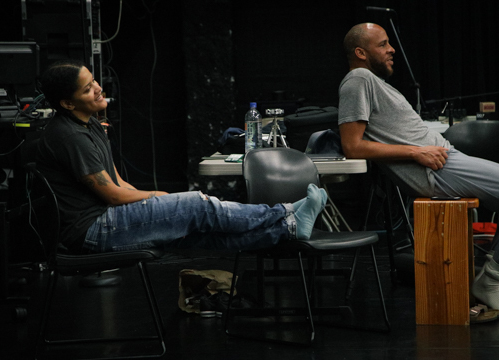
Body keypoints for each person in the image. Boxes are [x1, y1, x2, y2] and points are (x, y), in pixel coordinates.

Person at [338, 23, 499, 318]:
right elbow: (352, 146)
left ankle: (492, 280)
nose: (391, 50)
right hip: (438, 169)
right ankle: (491, 280)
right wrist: (417, 151)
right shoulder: (357, 80)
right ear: (361, 52)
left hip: (446, 158)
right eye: (383, 44)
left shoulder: (372, 81)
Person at [34, 59, 326, 256]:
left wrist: (151, 200)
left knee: (200, 236)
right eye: (87, 89)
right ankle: (286, 211)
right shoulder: (70, 136)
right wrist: (156, 196)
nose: (98, 89)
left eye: (94, 81)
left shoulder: (92, 122)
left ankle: (289, 227)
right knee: (195, 205)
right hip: (94, 229)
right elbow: (111, 195)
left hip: (108, 220)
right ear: (67, 103)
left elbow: (118, 182)